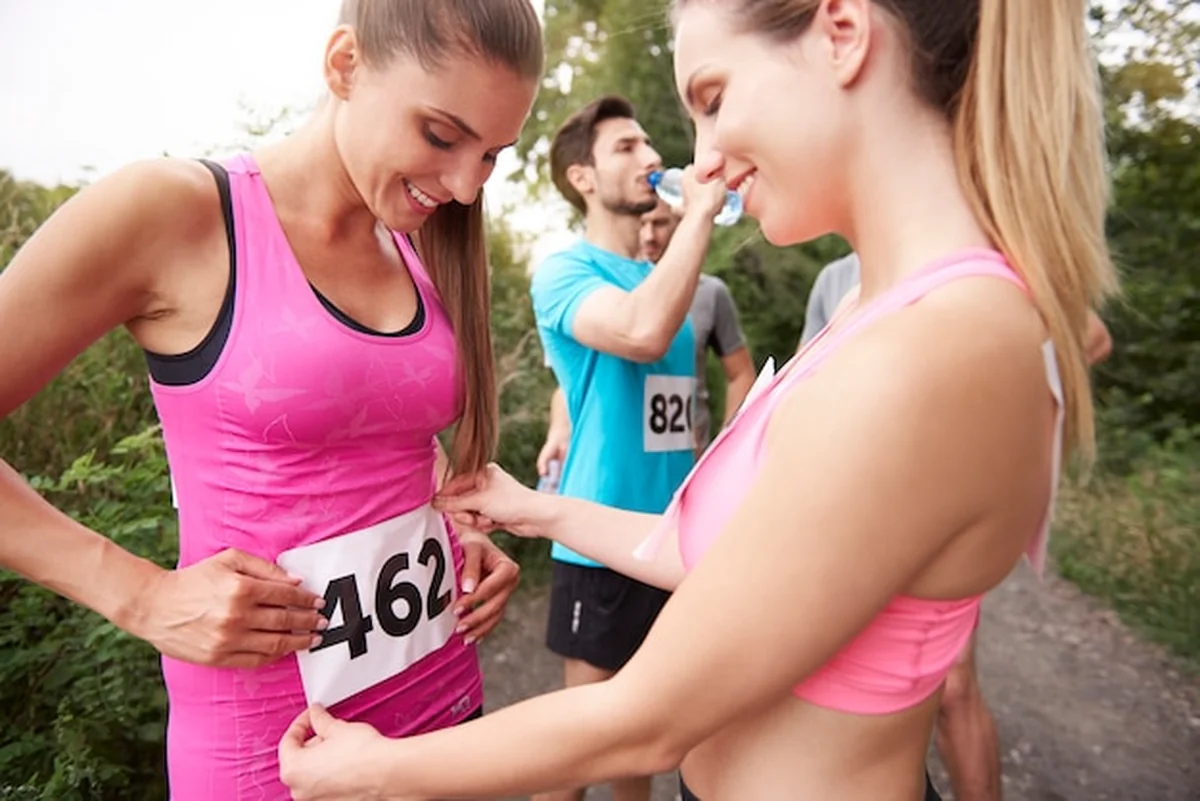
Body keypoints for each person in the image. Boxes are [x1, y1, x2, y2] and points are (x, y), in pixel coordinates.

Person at [278, 1, 1119, 799]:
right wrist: (536, 509)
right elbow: (725, 559)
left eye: (713, 100)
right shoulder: (878, 313)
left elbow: (647, 718)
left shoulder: (931, 350)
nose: (703, 157)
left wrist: (378, 769)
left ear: (841, 33)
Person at [0, 1, 542, 798]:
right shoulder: (174, 210)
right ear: (344, 65)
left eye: (492, 155)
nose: (465, 185)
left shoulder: (413, 234)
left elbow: (380, 440)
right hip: (274, 762)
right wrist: (142, 594)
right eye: (440, 135)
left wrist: (449, 529)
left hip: (446, 727)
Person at [800, 252, 1114, 801]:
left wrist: (994, 398)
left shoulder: (969, 255)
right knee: (864, 678)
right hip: (854, 507)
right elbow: (808, 381)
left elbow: (1091, 334)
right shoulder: (835, 278)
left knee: (954, 687)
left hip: (935, 503)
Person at [528, 94, 729, 801]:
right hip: (599, 538)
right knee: (580, 747)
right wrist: (700, 213)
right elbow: (633, 335)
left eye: (650, 144)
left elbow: (600, 372)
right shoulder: (562, 271)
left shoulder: (662, 279)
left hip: (674, 539)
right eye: (626, 148)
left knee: (647, 738)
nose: (651, 158)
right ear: (582, 178)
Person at [538, 198, 754, 475]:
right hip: (611, 466)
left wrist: (725, 450)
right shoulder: (598, 291)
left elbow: (741, 374)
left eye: (660, 223)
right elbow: (571, 380)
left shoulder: (711, 293)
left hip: (686, 466)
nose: (650, 236)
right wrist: (559, 427)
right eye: (642, 224)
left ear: (678, 223)